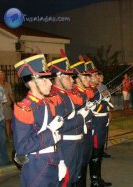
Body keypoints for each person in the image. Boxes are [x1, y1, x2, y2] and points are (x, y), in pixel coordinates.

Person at [13, 54, 63, 186]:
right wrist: (50, 132)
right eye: (45, 79)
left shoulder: (47, 103)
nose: (51, 83)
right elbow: (22, 146)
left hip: (53, 161)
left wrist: (61, 160)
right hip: (36, 167)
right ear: (32, 82)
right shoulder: (25, 108)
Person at [47, 56, 92, 186]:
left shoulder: (66, 94)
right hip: (66, 146)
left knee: (75, 179)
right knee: (66, 182)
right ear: (59, 77)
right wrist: (80, 118)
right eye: (68, 77)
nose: (72, 80)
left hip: (76, 143)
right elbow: (60, 127)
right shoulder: (54, 97)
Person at [85, 58, 112, 187]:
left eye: (96, 74)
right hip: (95, 125)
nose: (97, 76)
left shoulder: (96, 89)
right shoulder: (88, 90)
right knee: (95, 154)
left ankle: (98, 178)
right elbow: (93, 109)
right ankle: (94, 181)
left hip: (101, 124)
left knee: (99, 153)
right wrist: (103, 100)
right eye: (94, 74)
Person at [70, 57, 95, 187]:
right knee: (78, 168)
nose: (88, 79)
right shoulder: (74, 94)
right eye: (85, 77)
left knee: (85, 162)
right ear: (77, 78)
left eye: (88, 76)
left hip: (87, 131)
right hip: (79, 135)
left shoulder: (83, 93)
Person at [96, 71, 112, 159]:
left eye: (102, 75)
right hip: (99, 113)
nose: (102, 76)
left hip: (106, 110)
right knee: (98, 134)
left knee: (104, 133)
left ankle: (102, 151)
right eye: (100, 75)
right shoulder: (95, 87)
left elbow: (108, 98)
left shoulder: (104, 86)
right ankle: (98, 152)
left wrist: (109, 111)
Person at [0, 70, 15, 142]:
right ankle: (0, 137)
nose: (2, 76)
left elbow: (10, 94)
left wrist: (14, 103)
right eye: (0, 75)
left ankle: (9, 136)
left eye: (3, 75)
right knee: (0, 122)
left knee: (8, 121)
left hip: (7, 104)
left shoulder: (7, 84)